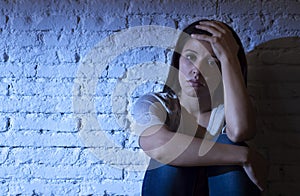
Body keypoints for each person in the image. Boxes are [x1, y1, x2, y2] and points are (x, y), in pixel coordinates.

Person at [132, 19, 268, 196]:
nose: (197, 70)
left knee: (228, 141)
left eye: (212, 63)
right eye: (190, 57)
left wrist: (229, 58)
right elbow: (157, 145)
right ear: (177, 61)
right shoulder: (155, 104)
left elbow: (241, 131)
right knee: (168, 159)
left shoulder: (232, 108)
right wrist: (244, 156)